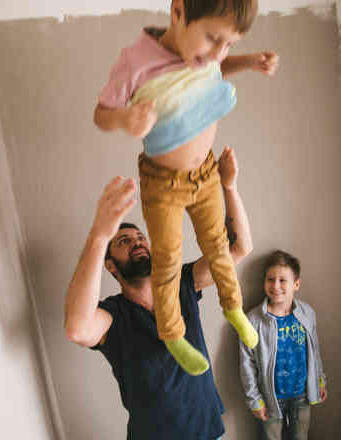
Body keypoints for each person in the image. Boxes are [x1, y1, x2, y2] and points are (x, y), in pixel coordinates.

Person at [93, 0, 279, 375]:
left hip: (206, 174)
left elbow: (216, 67)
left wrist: (247, 61)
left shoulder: (206, 55)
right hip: (163, 183)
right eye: (213, 38)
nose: (218, 52)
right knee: (167, 259)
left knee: (218, 246)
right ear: (178, 11)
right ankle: (174, 334)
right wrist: (126, 119)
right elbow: (102, 113)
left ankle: (234, 309)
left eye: (229, 43)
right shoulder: (136, 60)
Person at [65, 147, 252, 440]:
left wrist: (229, 187)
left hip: (209, 431)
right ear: (110, 265)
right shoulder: (115, 316)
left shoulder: (183, 282)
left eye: (140, 238)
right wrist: (100, 235)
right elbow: (77, 328)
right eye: (124, 241)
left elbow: (238, 248)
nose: (137, 242)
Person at [239, 251, 328, 440]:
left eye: (282, 280)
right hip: (270, 398)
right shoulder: (253, 320)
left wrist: (320, 380)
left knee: (300, 436)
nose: (275, 286)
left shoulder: (307, 313)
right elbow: (247, 364)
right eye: (270, 279)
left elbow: (314, 351)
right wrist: (255, 400)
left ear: (296, 284)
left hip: (302, 394)